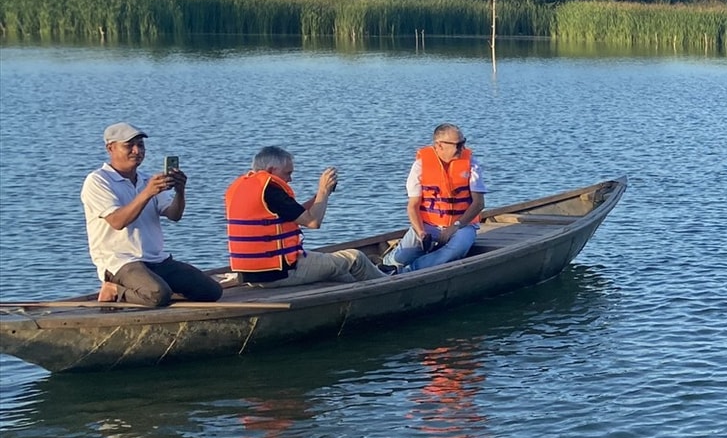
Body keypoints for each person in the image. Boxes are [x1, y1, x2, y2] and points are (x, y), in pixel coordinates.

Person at [81, 122, 222, 308]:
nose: (136, 151)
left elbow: (174, 215)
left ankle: (155, 287)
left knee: (211, 291)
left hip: (157, 260)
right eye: (129, 146)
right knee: (157, 296)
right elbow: (117, 221)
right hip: (121, 261)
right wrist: (147, 193)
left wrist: (180, 192)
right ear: (110, 148)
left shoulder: (147, 179)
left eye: (140, 145)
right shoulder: (98, 181)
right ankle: (115, 289)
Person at [224, 147, 385, 287]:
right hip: (279, 274)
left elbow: (296, 214)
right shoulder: (271, 190)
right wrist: (322, 190)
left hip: (251, 274)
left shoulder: (243, 187)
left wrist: (321, 196)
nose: (290, 179)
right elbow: (313, 222)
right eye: (288, 173)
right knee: (355, 258)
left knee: (342, 274)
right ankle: (389, 285)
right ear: (272, 170)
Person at [387, 124, 488, 271]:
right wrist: (421, 232)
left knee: (455, 250)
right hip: (428, 225)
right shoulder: (420, 166)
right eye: (458, 144)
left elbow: (478, 203)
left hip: (462, 225)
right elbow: (413, 206)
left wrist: (455, 227)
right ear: (439, 146)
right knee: (402, 256)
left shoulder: (472, 165)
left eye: (463, 142)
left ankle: (411, 271)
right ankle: (386, 266)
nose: (462, 148)